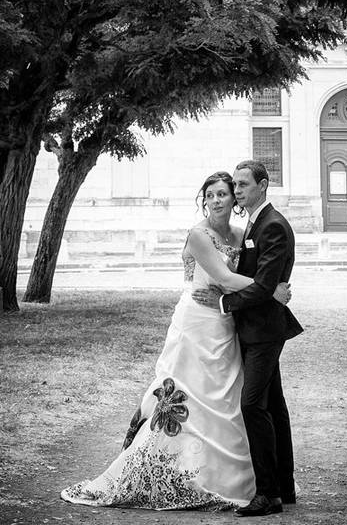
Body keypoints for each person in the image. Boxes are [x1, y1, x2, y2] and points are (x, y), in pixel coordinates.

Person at [60, 171, 291, 511]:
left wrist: (269, 284)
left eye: (224, 194)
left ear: (233, 199)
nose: (216, 200)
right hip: (196, 323)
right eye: (209, 194)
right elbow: (226, 277)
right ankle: (176, 470)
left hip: (227, 324)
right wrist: (272, 290)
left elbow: (253, 275)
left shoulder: (242, 234)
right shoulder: (198, 236)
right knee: (190, 393)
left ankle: (244, 479)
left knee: (228, 396)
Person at [192, 159, 303, 517]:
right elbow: (259, 281)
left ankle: (267, 495)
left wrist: (224, 302)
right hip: (252, 327)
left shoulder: (273, 226)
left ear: (263, 185)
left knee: (251, 405)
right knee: (274, 407)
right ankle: (283, 488)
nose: (237, 191)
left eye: (242, 185)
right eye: (234, 185)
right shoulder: (254, 223)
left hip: (265, 331)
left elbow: (265, 287)